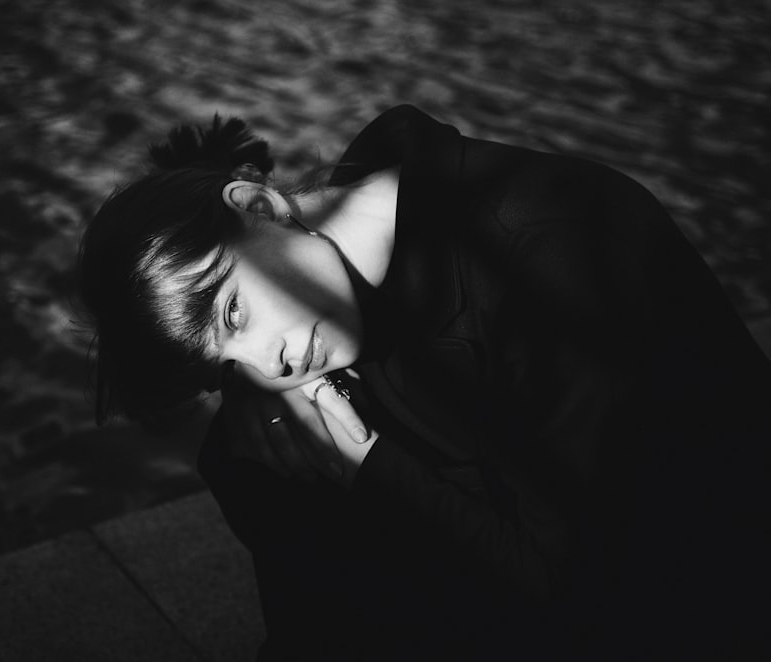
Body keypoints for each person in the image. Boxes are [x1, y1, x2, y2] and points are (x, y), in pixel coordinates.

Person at [77, 105, 771, 660]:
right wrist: (241, 361)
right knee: (249, 451)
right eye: (227, 362)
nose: (271, 363)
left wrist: (369, 466)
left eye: (235, 311)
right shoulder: (340, 239)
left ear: (259, 206)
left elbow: (573, 583)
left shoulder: (545, 256)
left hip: (693, 582)